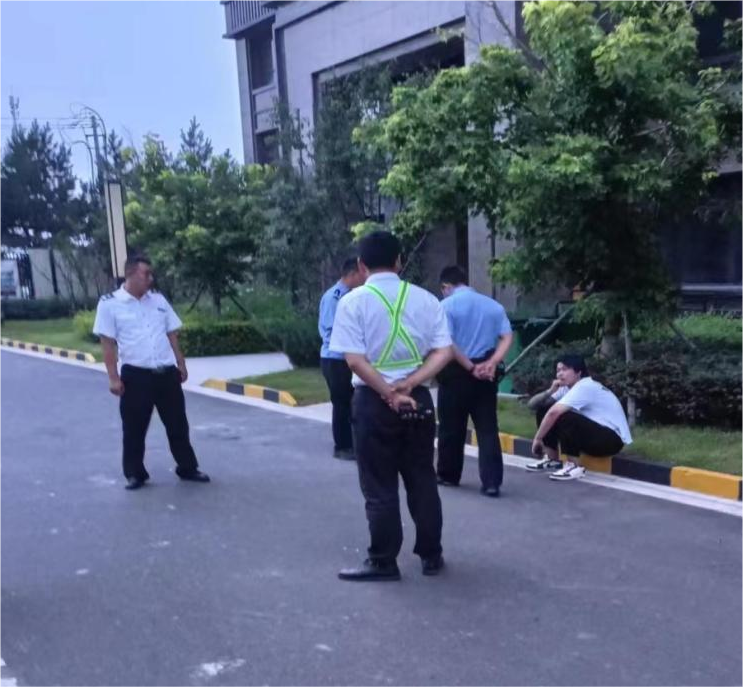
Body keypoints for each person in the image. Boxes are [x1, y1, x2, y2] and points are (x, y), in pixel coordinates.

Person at [329, 231, 453, 582]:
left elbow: (354, 360)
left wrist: (388, 392)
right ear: (399, 261)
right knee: (422, 478)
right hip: (418, 399)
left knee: (379, 485)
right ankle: (431, 555)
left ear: (361, 265)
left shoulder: (352, 302)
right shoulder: (426, 299)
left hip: (373, 401)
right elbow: (443, 351)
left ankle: (383, 561)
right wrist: (411, 383)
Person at [93, 255, 210, 491]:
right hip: (136, 375)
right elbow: (107, 344)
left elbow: (171, 334)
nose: (150, 278)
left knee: (178, 424)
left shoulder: (158, 300)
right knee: (134, 429)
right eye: (145, 274)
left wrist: (181, 363)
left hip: (166, 373)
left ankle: (187, 467)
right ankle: (135, 473)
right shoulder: (109, 304)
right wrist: (113, 378)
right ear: (130, 274)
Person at [436, 266, 514, 497]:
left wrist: (470, 367)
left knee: (451, 427)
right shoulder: (493, 305)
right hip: (486, 373)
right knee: (487, 428)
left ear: (446, 286)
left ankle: (448, 475)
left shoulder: (445, 306)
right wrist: (492, 362)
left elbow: (447, 342)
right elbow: (507, 336)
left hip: (455, 372)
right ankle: (491, 482)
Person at [528, 354, 632, 481]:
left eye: (565, 369)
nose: (560, 374)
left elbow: (554, 413)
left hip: (611, 441)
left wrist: (538, 438)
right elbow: (533, 405)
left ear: (578, 372)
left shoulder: (585, 386)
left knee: (564, 416)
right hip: (595, 436)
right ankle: (552, 459)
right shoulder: (566, 388)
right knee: (544, 409)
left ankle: (574, 466)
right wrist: (550, 391)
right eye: (558, 370)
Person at [318, 257, 365, 460]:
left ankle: (354, 443)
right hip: (335, 358)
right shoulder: (334, 297)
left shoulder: (352, 296)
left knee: (353, 402)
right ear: (352, 274)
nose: (364, 280)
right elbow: (331, 330)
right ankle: (342, 446)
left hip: (347, 356)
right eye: (361, 276)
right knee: (341, 402)